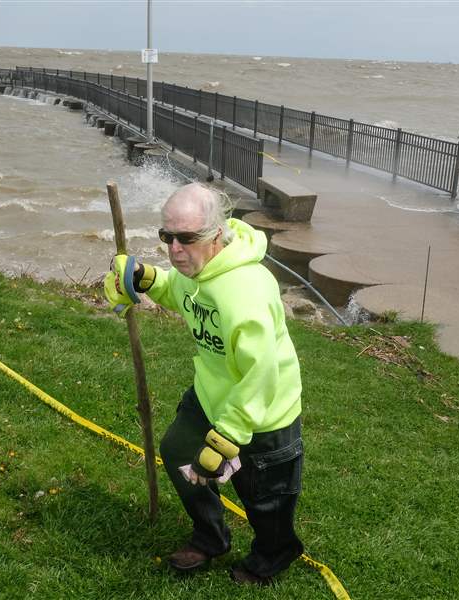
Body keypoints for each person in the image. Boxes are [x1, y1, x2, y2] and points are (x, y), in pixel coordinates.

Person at [103, 182, 304, 585]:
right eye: (167, 237)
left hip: (264, 412)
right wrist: (144, 278)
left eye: (186, 238)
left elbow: (261, 372)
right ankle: (211, 536)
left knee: (265, 500)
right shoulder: (198, 269)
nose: (175, 249)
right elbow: (180, 292)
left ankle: (272, 556)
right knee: (177, 449)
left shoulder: (245, 291)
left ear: (216, 234)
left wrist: (227, 437)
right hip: (211, 397)